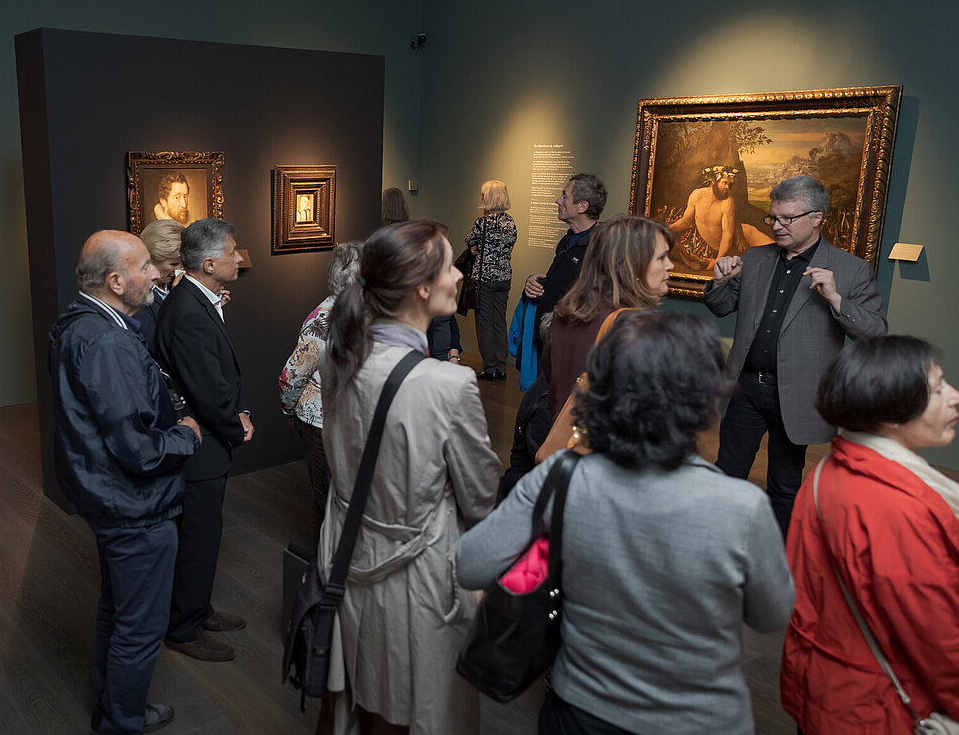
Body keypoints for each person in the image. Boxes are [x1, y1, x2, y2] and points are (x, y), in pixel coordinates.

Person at [458, 310, 795, 735]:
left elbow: (470, 563)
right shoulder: (741, 506)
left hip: (581, 711)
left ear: (602, 389)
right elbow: (771, 615)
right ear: (702, 398)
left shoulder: (559, 478)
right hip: (701, 720)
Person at [317, 220, 500, 735]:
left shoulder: (341, 358)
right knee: (418, 701)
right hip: (418, 572)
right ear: (422, 287)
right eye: (449, 265)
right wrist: (438, 480)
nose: (459, 274)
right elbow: (481, 495)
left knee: (364, 689)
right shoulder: (448, 383)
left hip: (348, 552)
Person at [49, 229, 203, 735]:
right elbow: (136, 448)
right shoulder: (106, 341)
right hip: (133, 505)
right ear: (115, 281)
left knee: (117, 612)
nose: (155, 274)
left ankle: (119, 710)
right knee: (139, 627)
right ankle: (121, 723)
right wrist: (185, 436)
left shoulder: (87, 324)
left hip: (109, 498)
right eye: (143, 268)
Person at [782, 336, 959, 733]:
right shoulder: (893, 507)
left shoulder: (830, 469)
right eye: (937, 390)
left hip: (830, 690)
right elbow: (939, 643)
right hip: (875, 709)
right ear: (893, 412)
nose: (954, 396)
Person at [706, 173, 887, 534]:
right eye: (773, 217)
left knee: (784, 486)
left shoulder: (851, 270)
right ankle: (717, 546)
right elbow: (721, 306)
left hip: (797, 394)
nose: (777, 226)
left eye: (788, 218)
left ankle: (775, 563)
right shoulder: (756, 258)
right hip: (745, 389)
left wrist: (836, 299)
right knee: (726, 475)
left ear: (816, 218)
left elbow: (875, 332)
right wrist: (720, 279)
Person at [152, 218, 252, 662]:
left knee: (205, 534)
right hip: (201, 447)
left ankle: (198, 609)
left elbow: (216, 372)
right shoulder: (189, 309)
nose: (239, 257)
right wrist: (236, 425)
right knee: (197, 537)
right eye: (232, 252)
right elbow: (207, 389)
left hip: (210, 438)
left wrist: (237, 412)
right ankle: (185, 628)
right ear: (209, 263)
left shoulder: (199, 298)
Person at [542, 216, 674, 417]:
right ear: (633, 264)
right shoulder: (635, 328)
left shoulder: (565, 315)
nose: (670, 265)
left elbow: (554, 383)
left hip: (567, 439)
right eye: (661, 258)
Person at [278, 241, 362, 530]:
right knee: (328, 500)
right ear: (352, 280)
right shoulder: (325, 320)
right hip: (327, 421)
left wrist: (290, 411)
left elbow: (290, 377)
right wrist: (291, 411)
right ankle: (325, 564)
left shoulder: (364, 313)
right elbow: (292, 375)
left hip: (340, 420)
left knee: (335, 497)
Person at [521, 173, 607, 352]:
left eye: (565, 196)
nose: (558, 201)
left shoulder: (601, 247)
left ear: (582, 206)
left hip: (571, 346)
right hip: (550, 340)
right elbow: (562, 285)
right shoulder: (567, 240)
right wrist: (533, 286)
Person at [668, 165, 771, 269]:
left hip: (745, 234)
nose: (727, 187)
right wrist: (667, 229)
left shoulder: (727, 201)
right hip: (728, 248)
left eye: (729, 184)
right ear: (713, 181)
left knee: (776, 253)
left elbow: (727, 234)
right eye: (725, 183)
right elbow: (685, 221)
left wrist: (718, 260)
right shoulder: (696, 195)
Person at [465, 179, 517, 380]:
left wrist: (474, 248)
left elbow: (469, 240)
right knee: (499, 321)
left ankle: (489, 367)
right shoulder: (510, 222)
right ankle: (501, 366)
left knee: (484, 321)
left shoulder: (481, 223)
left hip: (485, 278)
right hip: (504, 277)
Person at [135, 219, 185, 346]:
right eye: (173, 264)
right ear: (151, 259)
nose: (180, 269)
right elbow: (155, 345)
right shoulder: (139, 297)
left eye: (182, 263)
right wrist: (176, 301)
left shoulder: (173, 285)